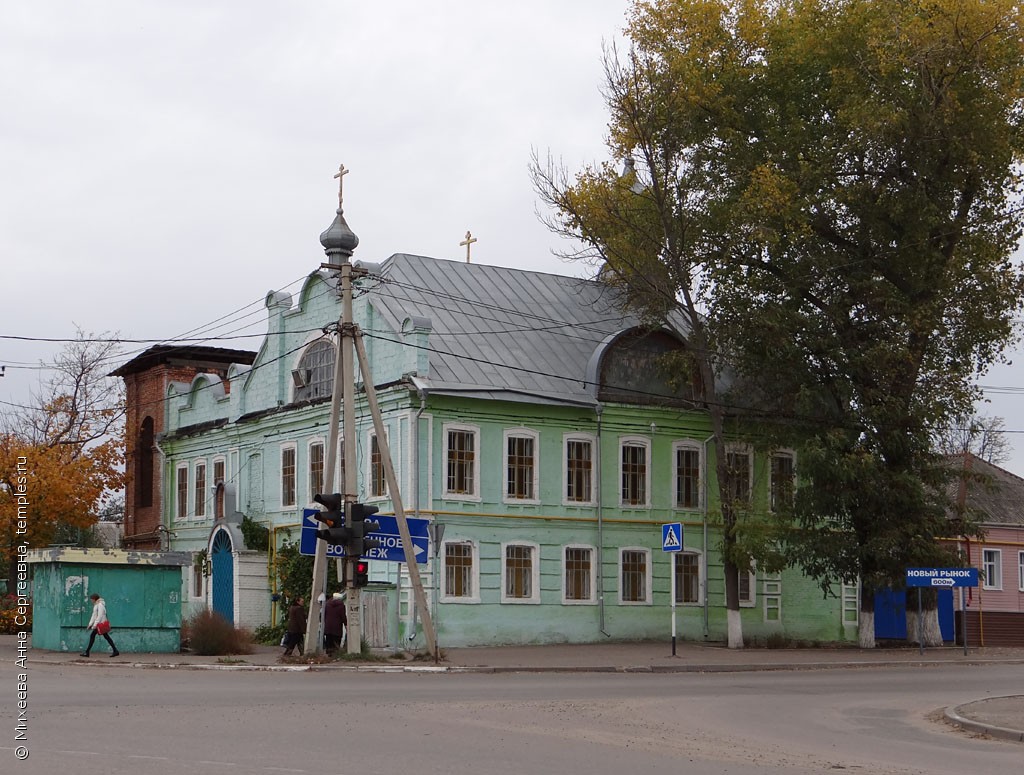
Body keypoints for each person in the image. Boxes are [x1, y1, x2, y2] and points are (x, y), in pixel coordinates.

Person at [81, 593, 120, 658]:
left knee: (94, 636)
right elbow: (94, 615)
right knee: (105, 636)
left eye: (92, 599)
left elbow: (99, 616)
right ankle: (115, 650)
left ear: (94, 599)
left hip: (100, 624)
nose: (91, 601)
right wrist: (90, 624)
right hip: (99, 624)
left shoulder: (100, 605)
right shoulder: (96, 605)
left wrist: (94, 625)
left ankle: (87, 652)